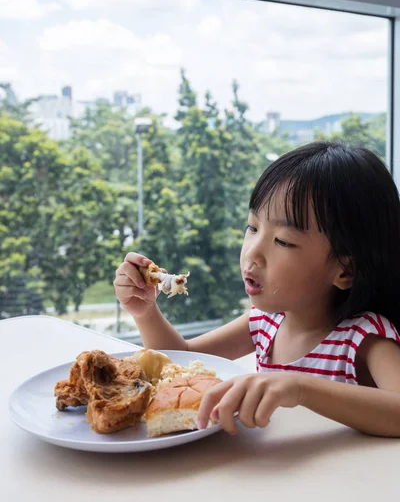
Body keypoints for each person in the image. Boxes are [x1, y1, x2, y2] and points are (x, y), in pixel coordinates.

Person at [114, 140, 400, 437]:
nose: (252, 252)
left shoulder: (363, 338)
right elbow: (180, 360)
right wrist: (146, 311)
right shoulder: (265, 323)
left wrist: (300, 388)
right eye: (252, 227)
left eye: (283, 241)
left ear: (346, 270)